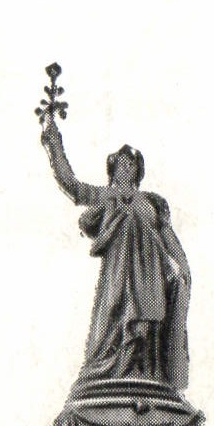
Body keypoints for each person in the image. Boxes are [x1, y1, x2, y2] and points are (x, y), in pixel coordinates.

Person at [40, 112, 191, 390]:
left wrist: (182, 269)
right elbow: (71, 185)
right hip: (119, 275)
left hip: (150, 277)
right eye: (120, 162)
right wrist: (53, 141)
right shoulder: (105, 196)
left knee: (148, 327)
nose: (125, 166)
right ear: (112, 168)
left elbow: (169, 239)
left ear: (138, 170)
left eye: (130, 163)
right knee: (114, 324)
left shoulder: (152, 202)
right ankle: (117, 373)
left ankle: (147, 376)